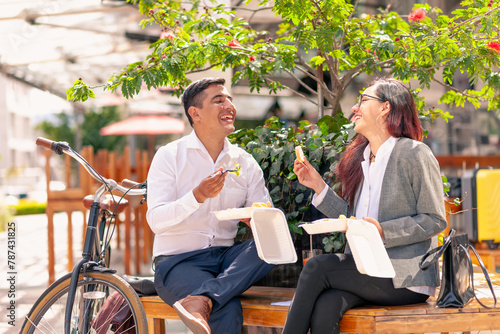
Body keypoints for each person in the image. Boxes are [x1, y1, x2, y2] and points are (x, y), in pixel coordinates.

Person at [282, 78, 447, 334]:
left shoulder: (414, 153)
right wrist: (319, 187)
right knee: (327, 304)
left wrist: (383, 230)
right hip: (366, 268)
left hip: (404, 276)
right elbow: (355, 221)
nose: (354, 108)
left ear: (385, 108)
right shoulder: (362, 158)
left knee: (317, 267)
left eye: (363, 100)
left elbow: (434, 218)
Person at [147, 77, 274, 334]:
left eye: (229, 99)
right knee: (225, 308)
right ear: (195, 113)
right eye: (219, 100)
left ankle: (202, 298)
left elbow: (266, 215)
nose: (229, 105)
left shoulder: (245, 162)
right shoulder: (170, 156)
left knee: (272, 242)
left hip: (226, 260)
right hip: (178, 262)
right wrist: (197, 196)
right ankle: (209, 298)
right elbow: (156, 220)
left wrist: (259, 219)